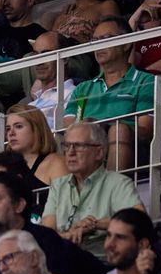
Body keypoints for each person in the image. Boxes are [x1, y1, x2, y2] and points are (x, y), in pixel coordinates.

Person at [41, 121, 144, 258]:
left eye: (78, 146)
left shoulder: (118, 183)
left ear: (99, 153)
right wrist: (68, 235)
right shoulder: (58, 186)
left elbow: (139, 220)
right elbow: (47, 232)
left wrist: (95, 224)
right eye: (67, 145)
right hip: (64, 259)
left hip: (103, 262)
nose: (70, 152)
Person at [64, 20, 156, 171]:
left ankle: (112, 191)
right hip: (86, 146)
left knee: (118, 130)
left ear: (126, 44)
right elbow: (67, 128)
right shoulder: (83, 89)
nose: (99, 45)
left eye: (106, 38)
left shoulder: (145, 81)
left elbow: (145, 130)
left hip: (130, 148)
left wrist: (105, 128)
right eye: (95, 40)